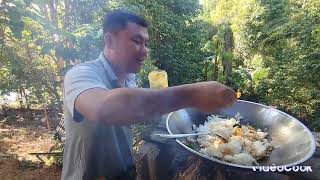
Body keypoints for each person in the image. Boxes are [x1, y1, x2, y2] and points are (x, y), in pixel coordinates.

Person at [61, 10, 236, 180]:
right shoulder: (81, 74)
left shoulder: (129, 77)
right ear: (110, 40)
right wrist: (192, 95)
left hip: (125, 171)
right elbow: (103, 108)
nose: (145, 51)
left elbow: (133, 110)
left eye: (146, 43)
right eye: (137, 41)